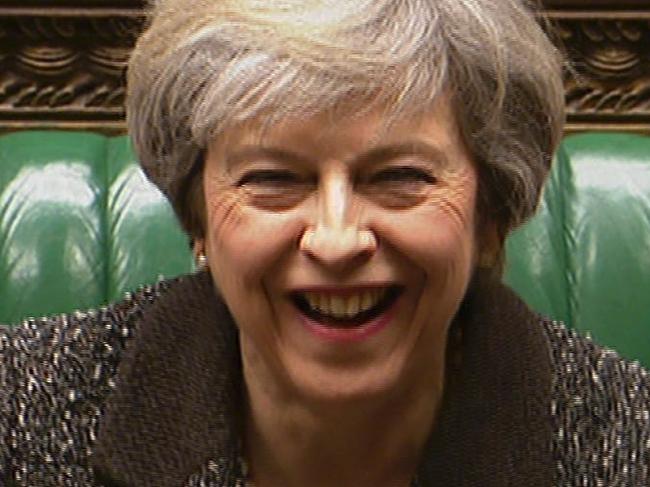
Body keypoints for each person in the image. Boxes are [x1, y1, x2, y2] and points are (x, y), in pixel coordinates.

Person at [1, 0, 649, 485]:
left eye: (400, 177)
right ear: (198, 219)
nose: (337, 239)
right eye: (274, 179)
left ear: (489, 216)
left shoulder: (627, 446)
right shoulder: (22, 414)